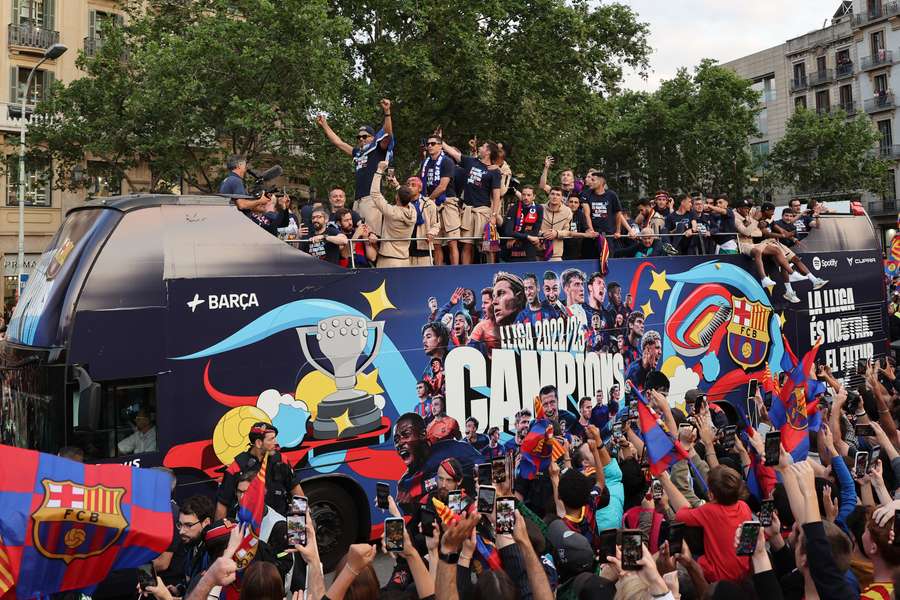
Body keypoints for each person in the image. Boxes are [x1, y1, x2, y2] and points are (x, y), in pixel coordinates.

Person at [658, 464, 752, 583]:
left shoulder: (710, 511)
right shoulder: (744, 507)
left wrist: (664, 479)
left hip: (719, 577)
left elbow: (681, 514)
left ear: (711, 495)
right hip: (744, 573)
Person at [316, 99, 393, 232]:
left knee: (371, 236)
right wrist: (325, 125)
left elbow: (388, 133)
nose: (361, 139)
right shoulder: (358, 152)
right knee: (356, 235)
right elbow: (339, 143)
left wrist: (387, 112)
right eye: (359, 137)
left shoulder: (378, 149)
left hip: (371, 199)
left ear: (373, 138)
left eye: (365, 136)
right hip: (357, 200)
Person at [215, 422, 301, 520]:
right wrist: (219, 533)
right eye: (271, 439)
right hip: (249, 528)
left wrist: (298, 531)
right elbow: (222, 505)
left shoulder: (281, 460)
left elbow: (298, 495)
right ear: (258, 443)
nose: (276, 442)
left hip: (279, 526)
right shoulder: (236, 467)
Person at [441, 139, 502, 264]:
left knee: (488, 247)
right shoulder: (471, 162)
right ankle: (464, 273)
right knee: (466, 245)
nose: (480, 148)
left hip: (483, 212)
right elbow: (453, 153)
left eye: (483, 146)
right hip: (468, 210)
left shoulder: (494, 171)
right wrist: (440, 141)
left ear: (488, 152)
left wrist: (494, 215)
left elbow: (496, 196)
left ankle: (491, 274)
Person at [369, 161, 416, 267]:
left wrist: (379, 170)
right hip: (404, 260)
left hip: (388, 261)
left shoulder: (391, 212)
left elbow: (375, 193)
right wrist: (397, 185)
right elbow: (406, 196)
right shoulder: (413, 211)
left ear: (397, 198)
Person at [420, 134, 458, 265]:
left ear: (440, 146)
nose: (429, 146)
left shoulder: (447, 161)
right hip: (431, 204)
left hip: (447, 202)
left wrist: (427, 200)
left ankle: (456, 272)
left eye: (433, 143)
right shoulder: (425, 163)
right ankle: (438, 271)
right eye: (428, 144)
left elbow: (442, 186)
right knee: (435, 242)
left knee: (452, 242)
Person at [582, 170, 626, 257]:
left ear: (601, 182)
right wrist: (591, 230)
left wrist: (618, 231)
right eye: (590, 179)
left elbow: (618, 213)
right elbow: (586, 214)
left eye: (593, 180)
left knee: (607, 260)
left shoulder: (612, 195)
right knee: (590, 259)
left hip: (608, 235)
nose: (590, 182)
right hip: (592, 235)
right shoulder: (586, 194)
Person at [501, 185, 543, 262]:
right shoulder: (514, 208)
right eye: (523, 194)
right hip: (512, 250)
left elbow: (535, 232)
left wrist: (516, 237)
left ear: (534, 197)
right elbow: (508, 231)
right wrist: (527, 236)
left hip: (528, 250)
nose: (526, 197)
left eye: (529, 195)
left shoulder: (539, 208)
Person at [406, 175, 439, 266]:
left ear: (420, 188)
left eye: (413, 185)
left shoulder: (429, 203)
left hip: (424, 246)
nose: (409, 187)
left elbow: (436, 224)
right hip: (405, 249)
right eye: (408, 185)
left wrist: (432, 232)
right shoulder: (403, 203)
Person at [540, 187, 575, 261]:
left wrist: (557, 233)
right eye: (552, 194)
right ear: (549, 195)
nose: (555, 197)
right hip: (538, 252)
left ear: (562, 197)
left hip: (556, 254)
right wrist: (543, 234)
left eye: (558, 195)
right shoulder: (540, 208)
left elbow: (568, 231)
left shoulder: (567, 211)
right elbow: (533, 228)